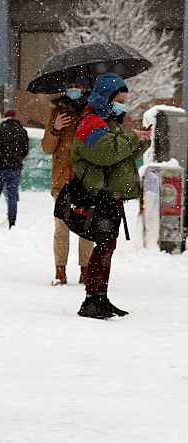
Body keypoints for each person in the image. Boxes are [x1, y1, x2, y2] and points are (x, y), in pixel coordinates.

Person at [72, 72, 150, 319]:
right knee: (104, 245)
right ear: (106, 98)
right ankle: (92, 299)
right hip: (98, 196)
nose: (122, 105)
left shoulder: (107, 122)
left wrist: (140, 141)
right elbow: (105, 153)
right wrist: (131, 138)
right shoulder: (90, 122)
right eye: (120, 100)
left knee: (107, 245)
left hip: (109, 195)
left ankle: (100, 297)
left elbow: (121, 155)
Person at [42, 82, 95, 286]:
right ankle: (60, 270)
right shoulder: (57, 112)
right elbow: (47, 147)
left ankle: (86, 269)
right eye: (70, 86)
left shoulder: (92, 112)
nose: (74, 90)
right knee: (61, 227)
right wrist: (55, 129)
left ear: (85, 88)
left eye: (78, 86)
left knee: (86, 226)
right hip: (62, 179)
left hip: (86, 178)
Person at [0, 110, 29, 230]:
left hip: (0, 167)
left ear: (5, 118)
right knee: (12, 196)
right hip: (14, 168)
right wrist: (17, 158)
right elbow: (25, 150)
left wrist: (0, 158)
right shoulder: (22, 131)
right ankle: (12, 221)